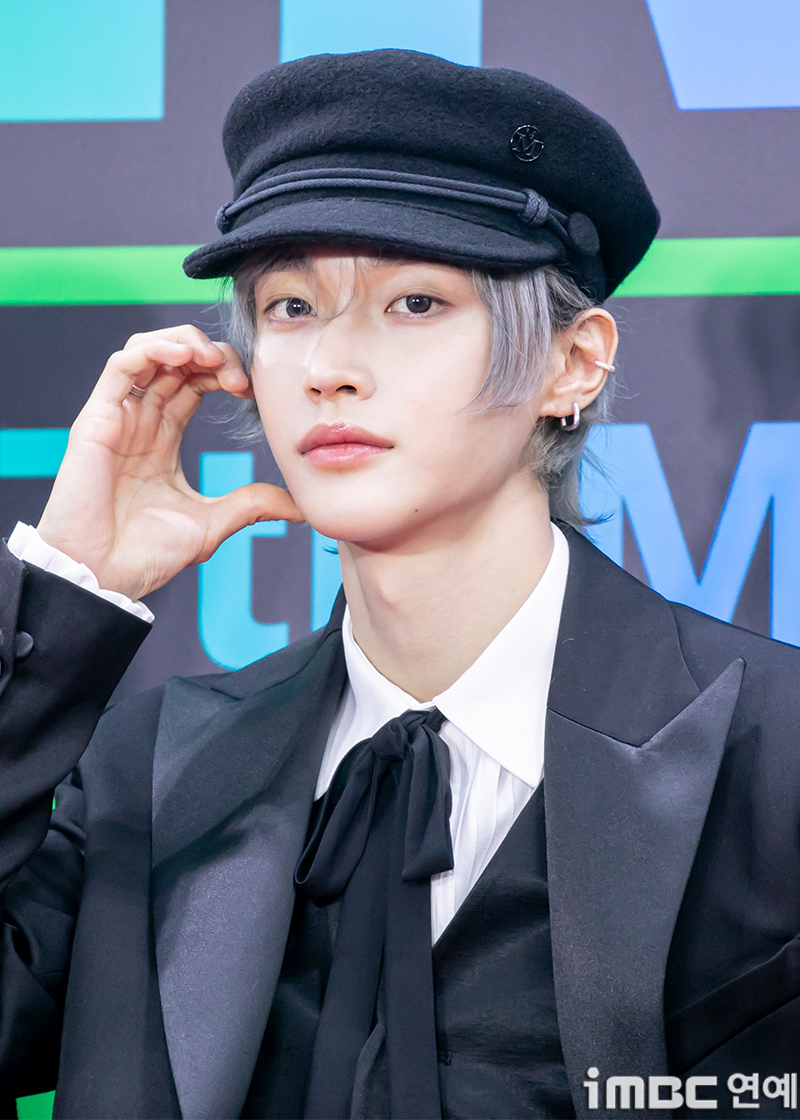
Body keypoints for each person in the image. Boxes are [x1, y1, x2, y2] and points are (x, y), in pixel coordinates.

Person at [1, 48, 800, 1120]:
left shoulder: (774, 751)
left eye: (415, 302)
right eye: (290, 307)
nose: (329, 366)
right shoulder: (150, 771)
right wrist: (65, 600)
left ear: (571, 363)